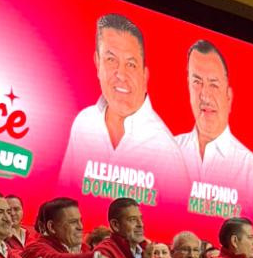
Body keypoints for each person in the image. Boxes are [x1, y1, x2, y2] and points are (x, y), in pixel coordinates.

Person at [59, 14, 188, 216]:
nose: (120, 75)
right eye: (111, 60)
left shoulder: (165, 150)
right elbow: (61, 201)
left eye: (131, 64)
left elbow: (175, 221)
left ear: (144, 75)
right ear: (97, 63)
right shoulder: (83, 124)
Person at [175, 39, 253, 236]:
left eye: (214, 85)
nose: (205, 95)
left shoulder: (251, 169)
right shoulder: (168, 151)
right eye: (197, 83)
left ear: (228, 97)